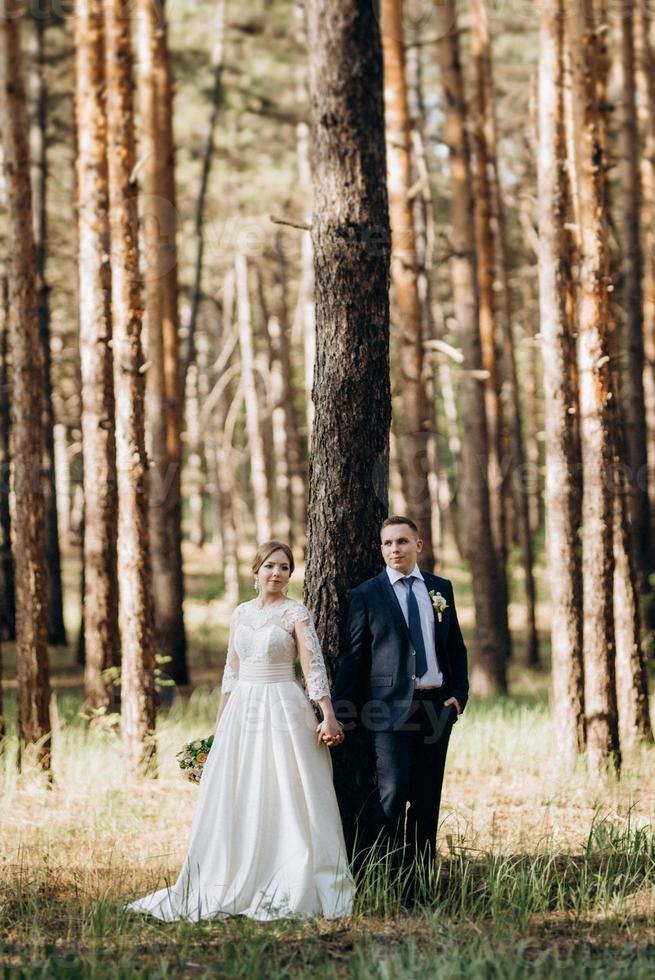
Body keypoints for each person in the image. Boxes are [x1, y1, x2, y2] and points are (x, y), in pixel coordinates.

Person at [127, 540, 354, 922]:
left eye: (284, 567)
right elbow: (230, 673)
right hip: (242, 709)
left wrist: (327, 715)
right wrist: (219, 730)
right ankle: (229, 874)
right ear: (256, 570)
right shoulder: (240, 614)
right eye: (270, 566)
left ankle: (289, 872)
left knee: (286, 787)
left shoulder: (296, 613)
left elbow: (313, 669)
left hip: (284, 703)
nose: (277, 573)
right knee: (242, 787)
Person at [332, 516, 469, 879]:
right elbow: (354, 657)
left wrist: (458, 695)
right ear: (381, 549)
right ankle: (377, 879)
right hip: (386, 712)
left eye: (403, 542)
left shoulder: (441, 589)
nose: (395, 549)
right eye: (388, 543)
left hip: (436, 709)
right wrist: (340, 712)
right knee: (391, 798)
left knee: (426, 801)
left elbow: (455, 646)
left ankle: (418, 883)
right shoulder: (366, 594)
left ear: (418, 545)